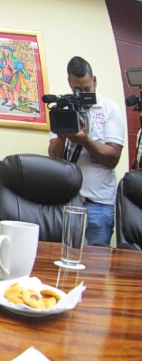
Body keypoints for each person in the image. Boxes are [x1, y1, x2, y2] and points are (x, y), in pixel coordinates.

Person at [48, 56, 125, 244]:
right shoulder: (64, 108)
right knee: (66, 253)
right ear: (69, 83)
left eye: (87, 89)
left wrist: (86, 141)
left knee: (96, 259)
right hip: (68, 199)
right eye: (78, 89)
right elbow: (54, 158)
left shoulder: (110, 109)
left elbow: (113, 158)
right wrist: (61, 136)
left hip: (99, 203)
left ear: (95, 81)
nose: (83, 94)